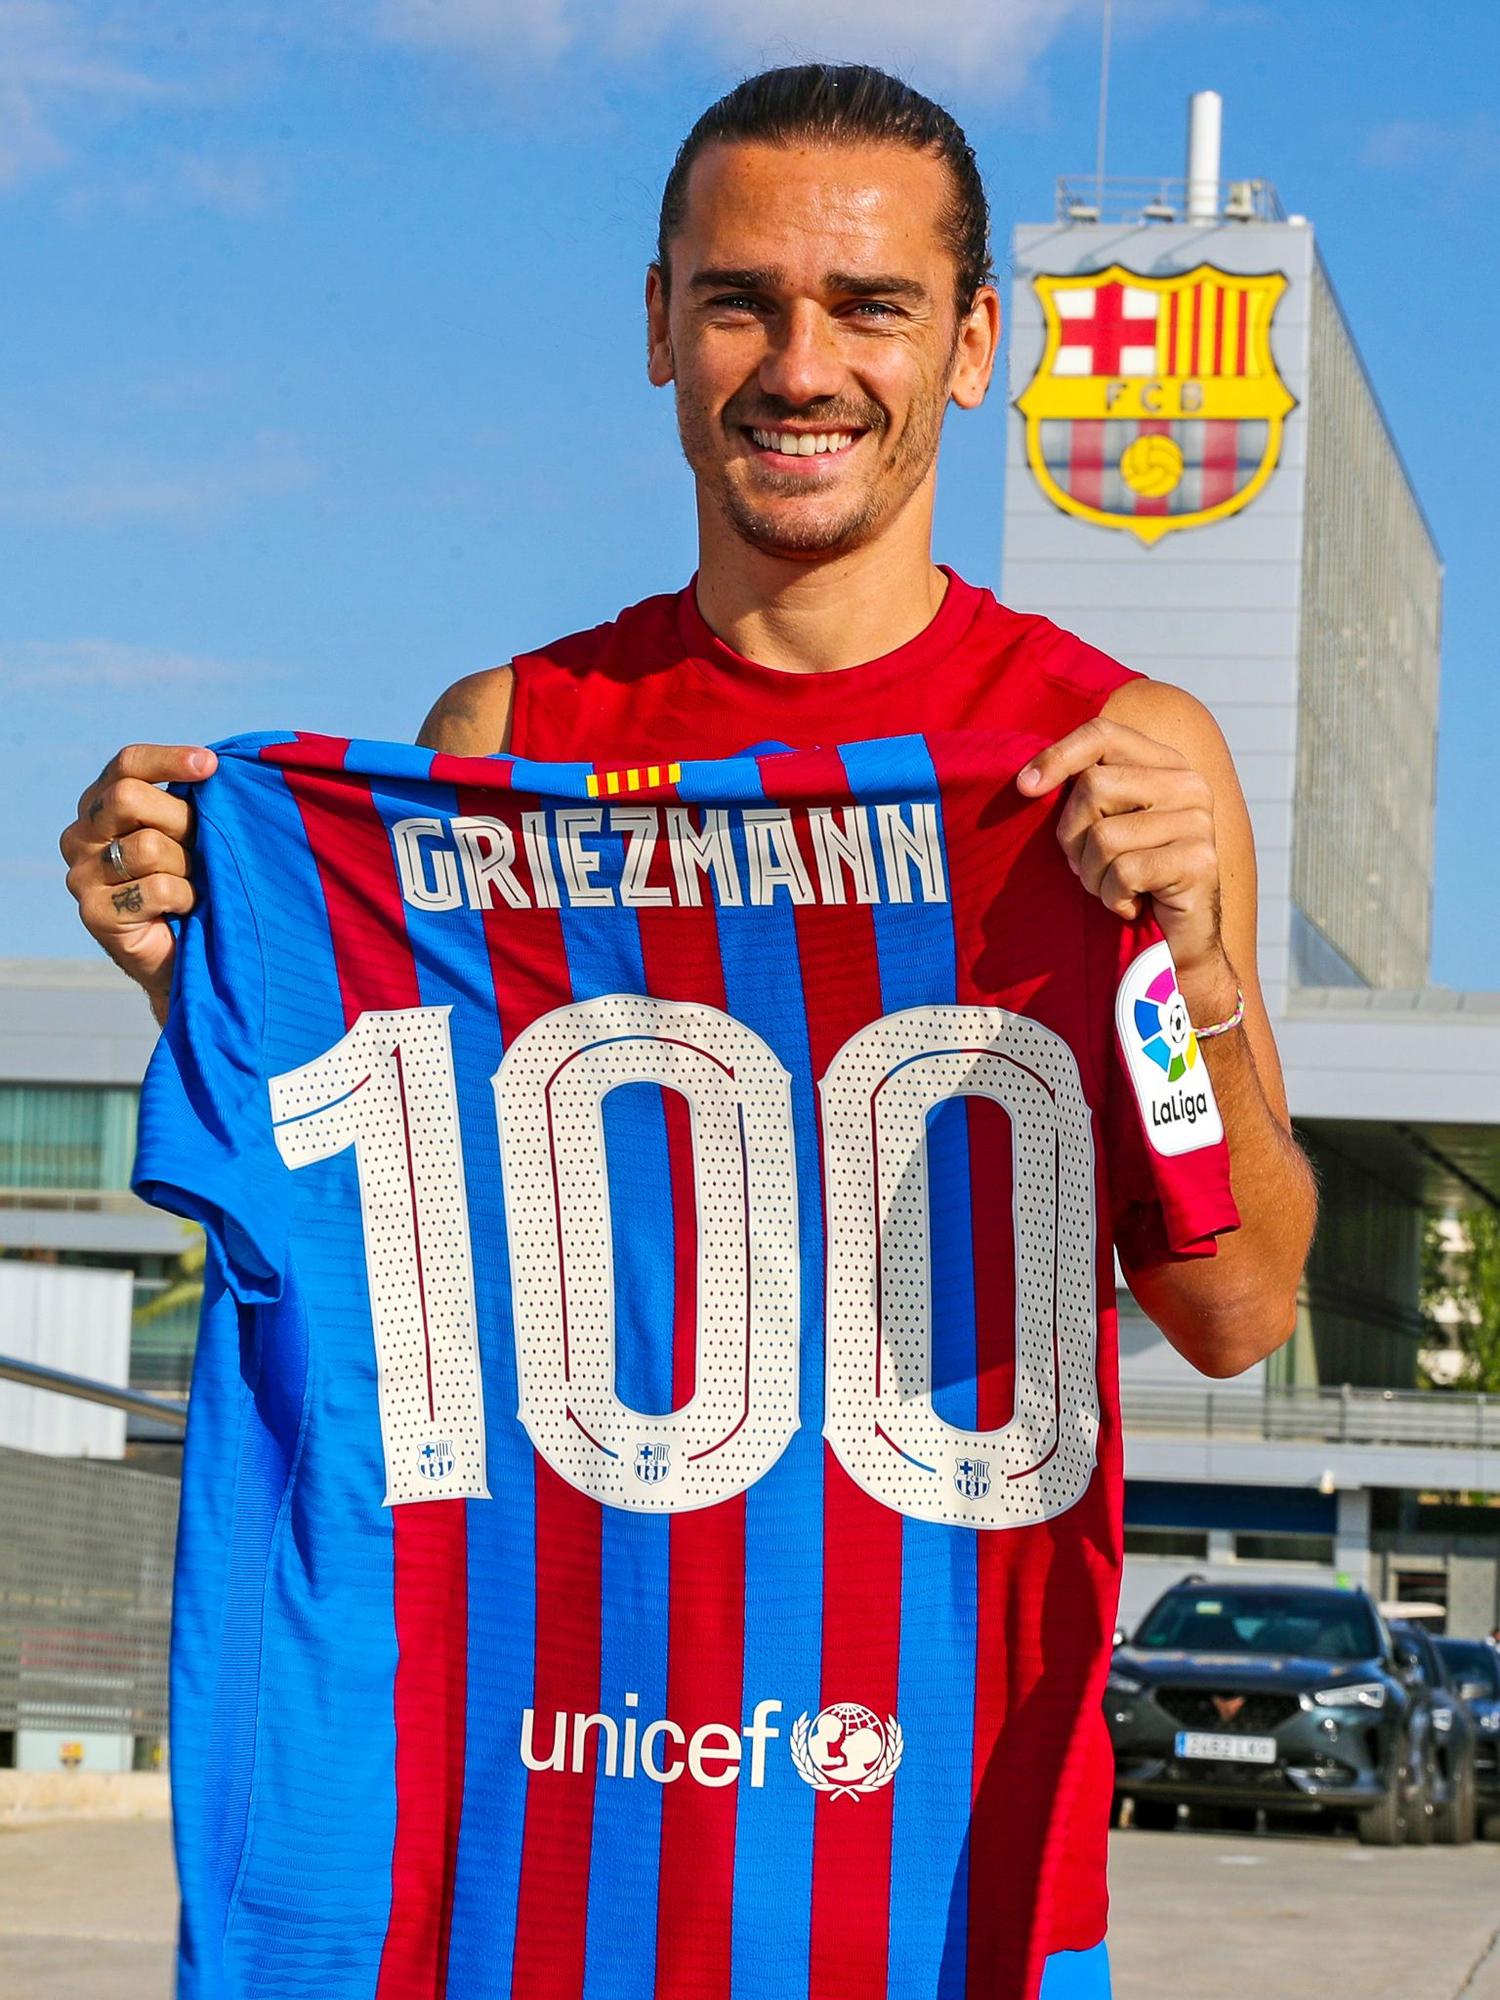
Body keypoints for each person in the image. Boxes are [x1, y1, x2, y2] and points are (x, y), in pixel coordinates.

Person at [59, 62, 1315, 1998]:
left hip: (929, 1801)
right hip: (560, 1790)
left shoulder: (1116, 751)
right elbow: (398, 1241)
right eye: (741, 301)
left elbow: (1234, 1310)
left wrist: (1202, 979)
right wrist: (216, 977)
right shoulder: (509, 744)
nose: (800, 364)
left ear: (974, 345)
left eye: (870, 307)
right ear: (657, 328)